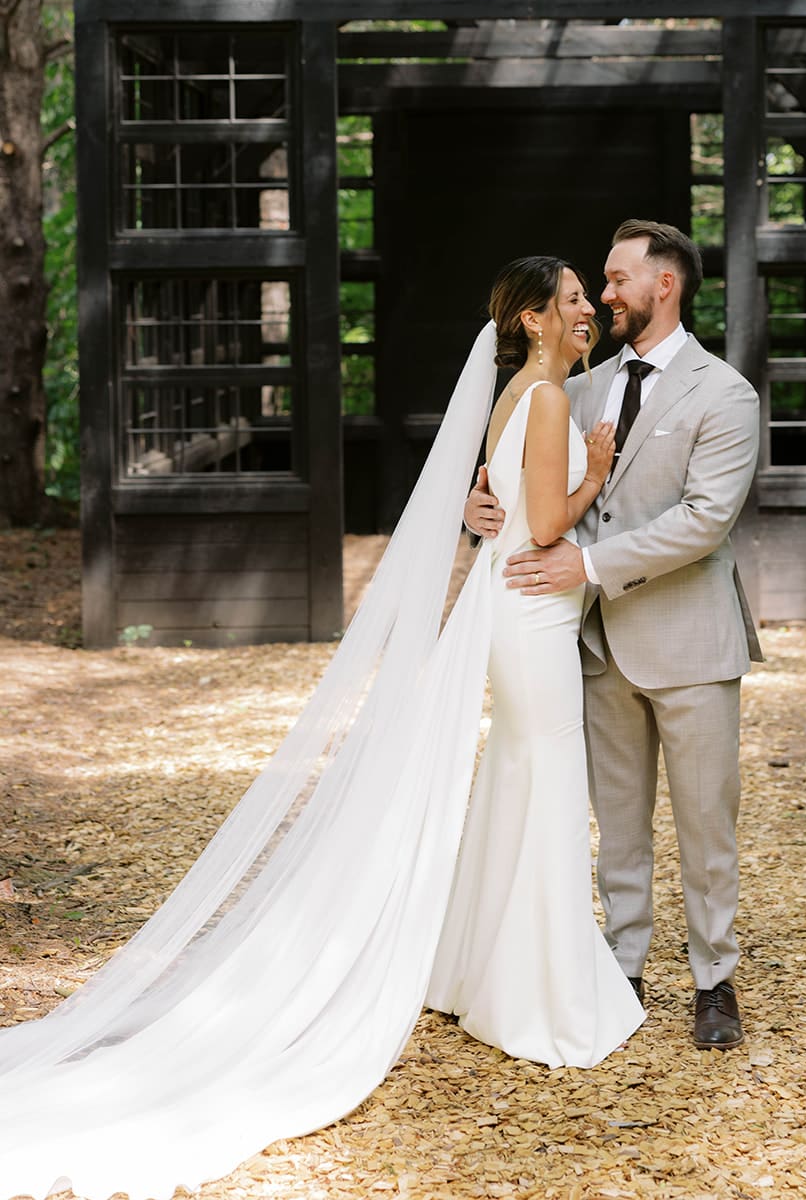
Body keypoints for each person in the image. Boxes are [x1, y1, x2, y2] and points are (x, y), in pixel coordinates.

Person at [0, 257, 641, 1200]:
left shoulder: (513, 393)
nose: (589, 308)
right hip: (532, 610)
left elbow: (495, 512)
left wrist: (501, 510)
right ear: (539, 319)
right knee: (546, 779)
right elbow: (543, 527)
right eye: (576, 299)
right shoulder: (548, 404)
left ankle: (495, 972)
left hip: (502, 614)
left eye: (591, 296)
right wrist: (595, 471)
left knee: (519, 775)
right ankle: (544, 993)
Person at [465, 220, 762, 1051]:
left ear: (663, 284)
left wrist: (586, 568)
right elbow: (528, 480)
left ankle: (713, 979)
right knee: (617, 822)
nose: (603, 295)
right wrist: (480, 508)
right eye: (597, 282)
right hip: (590, 644)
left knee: (706, 825)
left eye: (617, 278)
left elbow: (702, 523)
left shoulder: (723, 393)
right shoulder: (579, 386)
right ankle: (619, 963)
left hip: (689, 643)